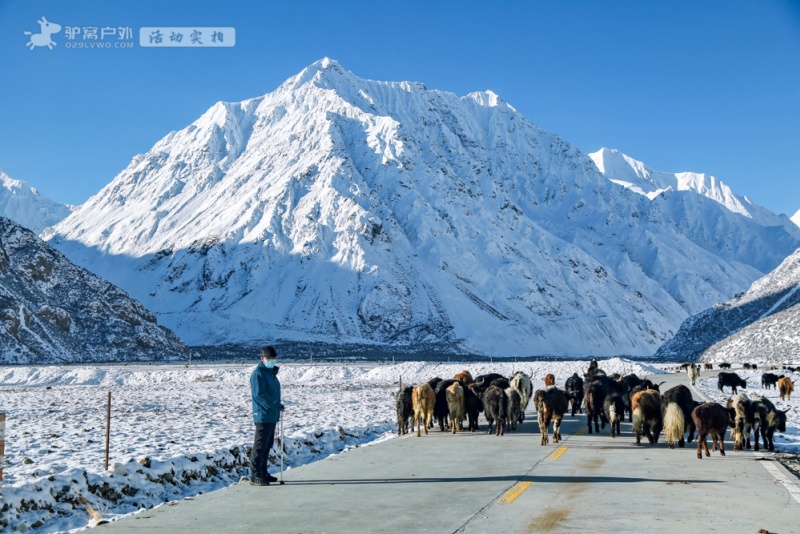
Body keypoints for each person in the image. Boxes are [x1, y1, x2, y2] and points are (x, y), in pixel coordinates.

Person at [250, 345, 284, 486]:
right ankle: (255, 475)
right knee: (260, 445)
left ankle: (263, 472)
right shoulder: (258, 374)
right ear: (262, 358)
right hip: (263, 415)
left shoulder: (271, 374)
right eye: (268, 358)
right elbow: (260, 396)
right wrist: (275, 406)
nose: (271, 360)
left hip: (272, 415)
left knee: (267, 445)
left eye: (273, 358)